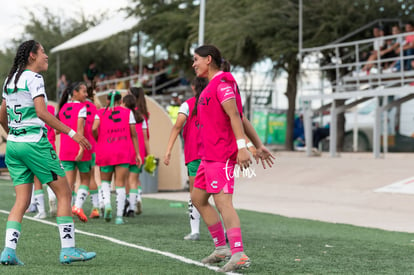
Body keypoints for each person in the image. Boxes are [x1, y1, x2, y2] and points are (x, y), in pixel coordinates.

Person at [0, 40, 95, 265]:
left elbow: (1, 113)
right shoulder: (34, 78)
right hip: (35, 143)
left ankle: (8, 251)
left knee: (21, 200)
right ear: (32, 55)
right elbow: (42, 113)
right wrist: (73, 133)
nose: (46, 57)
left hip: (14, 145)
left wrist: (12, 133)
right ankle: (68, 250)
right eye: (43, 52)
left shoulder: (9, 79)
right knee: (64, 193)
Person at [190, 45, 275, 272]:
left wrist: (242, 147)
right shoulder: (210, 86)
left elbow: (235, 116)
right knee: (197, 199)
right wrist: (258, 144)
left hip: (221, 155)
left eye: (196, 59)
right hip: (207, 156)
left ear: (209, 60)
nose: (193, 63)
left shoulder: (224, 82)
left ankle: (238, 253)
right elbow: (241, 115)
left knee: (223, 202)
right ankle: (222, 248)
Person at [164, 77, 208, 241]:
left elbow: (177, 127)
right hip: (214, 154)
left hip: (195, 154)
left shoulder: (187, 105)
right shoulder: (215, 103)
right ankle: (224, 232)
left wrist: (168, 150)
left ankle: (195, 231)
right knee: (219, 195)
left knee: (195, 193)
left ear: (192, 87)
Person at [93, 91, 142, 225]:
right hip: (122, 151)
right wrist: (137, 153)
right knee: (120, 184)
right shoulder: (128, 113)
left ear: (107, 100)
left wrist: (99, 138)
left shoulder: (100, 112)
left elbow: (93, 128)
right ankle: (119, 216)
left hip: (105, 150)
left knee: (105, 182)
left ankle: (107, 204)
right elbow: (133, 134)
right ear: (121, 101)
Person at [57, 82, 93, 223]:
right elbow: (80, 130)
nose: (86, 94)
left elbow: (58, 129)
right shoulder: (81, 108)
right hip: (79, 148)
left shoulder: (63, 107)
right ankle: (77, 207)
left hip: (65, 149)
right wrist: (81, 148)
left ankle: (67, 212)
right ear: (75, 93)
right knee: (85, 180)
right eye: (83, 91)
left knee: (68, 184)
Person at [122, 93, 149, 217]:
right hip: (139, 151)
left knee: (125, 180)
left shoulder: (123, 115)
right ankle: (132, 208)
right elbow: (145, 137)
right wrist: (148, 154)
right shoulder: (141, 117)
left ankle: (126, 205)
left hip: (127, 150)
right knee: (134, 180)